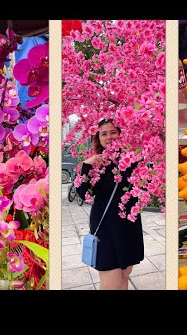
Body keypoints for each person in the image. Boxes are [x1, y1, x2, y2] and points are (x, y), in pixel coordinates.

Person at [76, 118, 144, 290]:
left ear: (121, 134)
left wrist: (133, 160)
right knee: (110, 281)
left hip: (129, 224)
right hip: (105, 226)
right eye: (104, 134)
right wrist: (86, 166)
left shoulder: (131, 158)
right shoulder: (95, 163)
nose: (109, 137)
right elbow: (83, 194)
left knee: (124, 275)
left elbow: (142, 185)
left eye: (113, 132)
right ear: (98, 138)